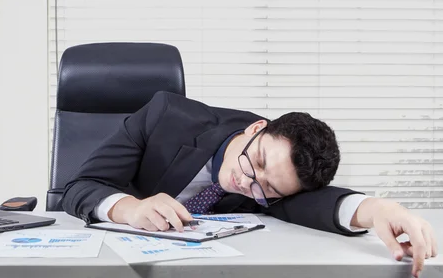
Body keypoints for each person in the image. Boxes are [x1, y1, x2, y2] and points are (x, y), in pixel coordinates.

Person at [62, 91, 437, 277]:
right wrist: (131, 207)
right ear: (257, 128)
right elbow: (80, 186)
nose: (246, 181)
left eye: (266, 188)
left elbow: (314, 203)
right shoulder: (165, 116)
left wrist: (378, 209)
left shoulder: (275, 183)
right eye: (255, 162)